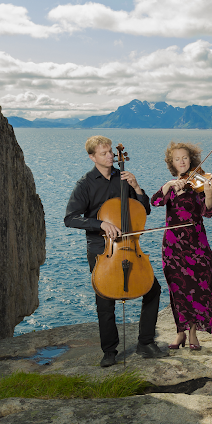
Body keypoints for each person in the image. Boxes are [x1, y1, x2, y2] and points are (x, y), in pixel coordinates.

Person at [64, 135, 165, 367]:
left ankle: (146, 342)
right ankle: (109, 351)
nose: (110, 156)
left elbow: (144, 211)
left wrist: (137, 187)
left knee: (152, 289)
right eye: (104, 153)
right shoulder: (85, 184)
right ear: (92, 157)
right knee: (105, 299)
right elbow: (70, 218)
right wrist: (100, 224)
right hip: (103, 251)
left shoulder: (124, 179)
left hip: (130, 248)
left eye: (111, 151)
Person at [151, 142, 212, 350]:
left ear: (191, 160)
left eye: (185, 158)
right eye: (177, 159)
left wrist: (210, 194)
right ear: (172, 163)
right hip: (172, 246)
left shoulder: (199, 185)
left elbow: (207, 212)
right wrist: (167, 186)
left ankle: (193, 333)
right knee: (177, 289)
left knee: (196, 287)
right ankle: (180, 333)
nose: (182, 161)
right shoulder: (172, 186)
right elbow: (155, 202)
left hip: (195, 244)